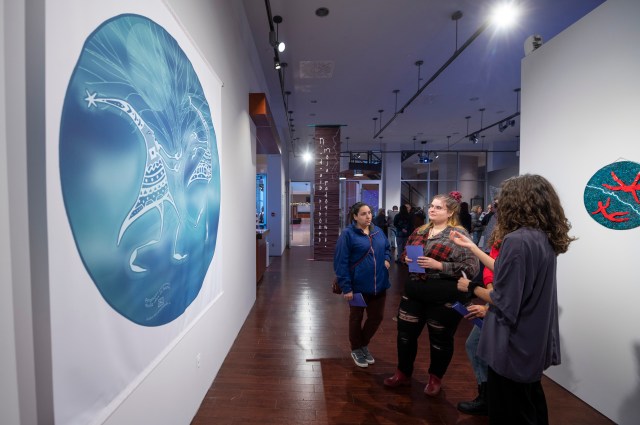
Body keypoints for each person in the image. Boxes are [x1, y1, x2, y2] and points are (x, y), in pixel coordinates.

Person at [456, 174, 576, 425]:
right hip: (532, 338)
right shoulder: (540, 237)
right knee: (529, 402)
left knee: (510, 410)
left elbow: (504, 300)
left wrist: (472, 287)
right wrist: (473, 248)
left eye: (504, 200)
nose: (499, 205)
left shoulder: (517, 240)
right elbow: (507, 271)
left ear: (517, 202)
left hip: (513, 343)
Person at [383, 193, 479, 396]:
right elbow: (405, 253)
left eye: (438, 207)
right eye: (431, 206)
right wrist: (406, 259)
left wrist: (439, 265)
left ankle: (435, 378)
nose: (432, 210)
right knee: (405, 336)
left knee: (440, 340)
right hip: (415, 290)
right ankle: (403, 373)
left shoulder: (458, 234)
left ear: (450, 212)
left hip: (443, 294)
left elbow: (472, 268)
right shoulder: (420, 230)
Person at [449, 225, 501, 416]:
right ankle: (487, 397)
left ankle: (490, 399)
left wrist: (476, 291)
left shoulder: (517, 243)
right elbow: (492, 272)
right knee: (475, 345)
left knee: (480, 347)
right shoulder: (501, 240)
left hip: (503, 307)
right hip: (495, 302)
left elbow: (507, 284)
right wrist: (489, 301)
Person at [334, 202, 391, 368]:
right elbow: (341, 262)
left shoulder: (378, 231)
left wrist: (387, 259)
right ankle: (356, 349)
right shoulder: (348, 234)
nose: (368, 217)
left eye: (370, 213)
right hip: (357, 287)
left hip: (380, 284)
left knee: (376, 318)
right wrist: (347, 287)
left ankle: (363, 344)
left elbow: (387, 248)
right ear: (355, 216)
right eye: (363, 214)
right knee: (356, 318)